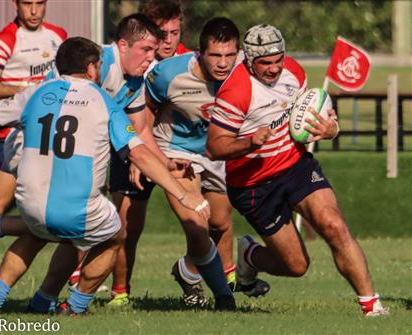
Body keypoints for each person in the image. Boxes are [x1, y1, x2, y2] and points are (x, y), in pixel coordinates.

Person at [0, 36, 210, 317]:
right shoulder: (103, 102)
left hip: (30, 199)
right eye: (99, 65)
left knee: (41, 234)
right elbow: (140, 154)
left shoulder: (36, 93)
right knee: (114, 236)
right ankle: (75, 306)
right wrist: (183, 194)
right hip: (77, 207)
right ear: (90, 69)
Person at [206, 24, 389, 316]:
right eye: (265, 62)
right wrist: (248, 142)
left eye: (278, 60)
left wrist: (331, 129)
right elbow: (214, 147)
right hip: (253, 184)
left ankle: (372, 305)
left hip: (295, 166)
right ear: (249, 59)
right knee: (296, 266)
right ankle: (249, 256)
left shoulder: (294, 72)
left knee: (333, 224)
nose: (274, 68)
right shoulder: (235, 91)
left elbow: (310, 116)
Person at [143, 17, 268, 311]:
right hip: (177, 154)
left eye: (230, 55)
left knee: (220, 224)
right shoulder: (168, 74)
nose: (223, 63)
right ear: (200, 52)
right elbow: (145, 112)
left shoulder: (245, 75)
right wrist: (149, 157)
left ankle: (187, 271)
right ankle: (224, 298)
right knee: (197, 225)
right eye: (215, 55)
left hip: (218, 153)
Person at [105, 0, 197, 307]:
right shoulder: (133, 63)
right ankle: (119, 291)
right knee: (126, 226)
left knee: (202, 217)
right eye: (162, 33)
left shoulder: (188, 62)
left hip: (173, 149)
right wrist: (136, 156)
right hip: (134, 148)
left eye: (174, 32)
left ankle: (209, 279)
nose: (168, 41)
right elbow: (136, 120)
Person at [0, 0, 66, 271]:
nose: (34, 11)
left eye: (39, 3)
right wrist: (25, 89)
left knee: (59, 204)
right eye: (27, 4)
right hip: (15, 135)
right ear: (16, 4)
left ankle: (73, 275)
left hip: (51, 135)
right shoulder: (4, 41)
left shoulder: (59, 36)